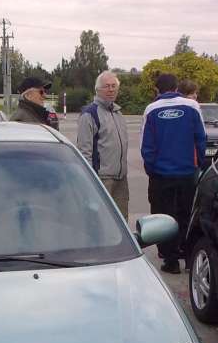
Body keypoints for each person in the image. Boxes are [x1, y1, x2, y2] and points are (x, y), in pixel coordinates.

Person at [141, 72, 206, 274]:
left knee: (163, 217)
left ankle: (170, 261)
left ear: (157, 90)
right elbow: (201, 138)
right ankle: (188, 257)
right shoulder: (192, 106)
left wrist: (151, 170)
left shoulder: (151, 109)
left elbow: (147, 145)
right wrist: (199, 164)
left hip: (161, 175)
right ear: (176, 88)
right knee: (186, 214)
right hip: (187, 173)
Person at [76, 70, 129, 219]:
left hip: (121, 180)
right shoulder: (89, 114)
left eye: (113, 86)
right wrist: (89, 182)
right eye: (106, 86)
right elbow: (84, 152)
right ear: (97, 89)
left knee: (121, 221)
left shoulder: (118, 113)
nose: (111, 89)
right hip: (102, 180)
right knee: (101, 220)